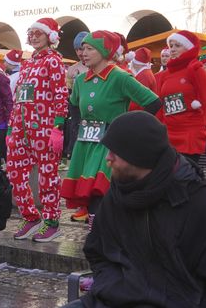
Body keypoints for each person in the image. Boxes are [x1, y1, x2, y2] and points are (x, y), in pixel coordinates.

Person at [63, 111, 206, 308]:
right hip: (114, 300)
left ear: (138, 155)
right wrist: (113, 286)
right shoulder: (120, 190)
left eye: (115, 151)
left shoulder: (196, 201)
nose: (108, 158)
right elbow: (97, 252)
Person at [61, 31, 161, 229]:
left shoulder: (119, 77)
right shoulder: (81, 81)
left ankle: (108, 236)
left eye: (89, 49)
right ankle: (97, 235)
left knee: (102, 193)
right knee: (88, 196)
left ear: (104, 51)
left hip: (110, 145)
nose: (83, 53)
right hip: (86, 144)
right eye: (82, 49)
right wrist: (74, 135)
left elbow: (152, 102)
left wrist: (131, 133)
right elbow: (73, 106)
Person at [6, 17, 68, 242]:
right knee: (15, 172)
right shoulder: (28, 62)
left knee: (47, 176)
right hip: (21, 128)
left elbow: (61, 93)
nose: (32, 36)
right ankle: (30, 217)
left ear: (50, 36)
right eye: (30, 32)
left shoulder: (53, 61)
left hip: (44, 127)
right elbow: (18, 97)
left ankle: (51, 222)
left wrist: (58, 126)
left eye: (37, 32)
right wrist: (11, 126)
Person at [155, 30, 206, 163]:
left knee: (185, 178)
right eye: (171, 45)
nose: (172, 49)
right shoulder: (164, 75)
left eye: (177, 46)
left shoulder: (195, 69)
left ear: (188, 47)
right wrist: (156, 129)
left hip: (190, 134)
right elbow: (162, 105)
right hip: (169, 134)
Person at [66, 31, 90, 222]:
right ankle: (82, 204)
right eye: (78, 49)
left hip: (98, 124)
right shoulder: (73, 71)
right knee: (80, 165)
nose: (81, 53)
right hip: (79, 123)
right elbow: (71, 102)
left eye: (85, 48)